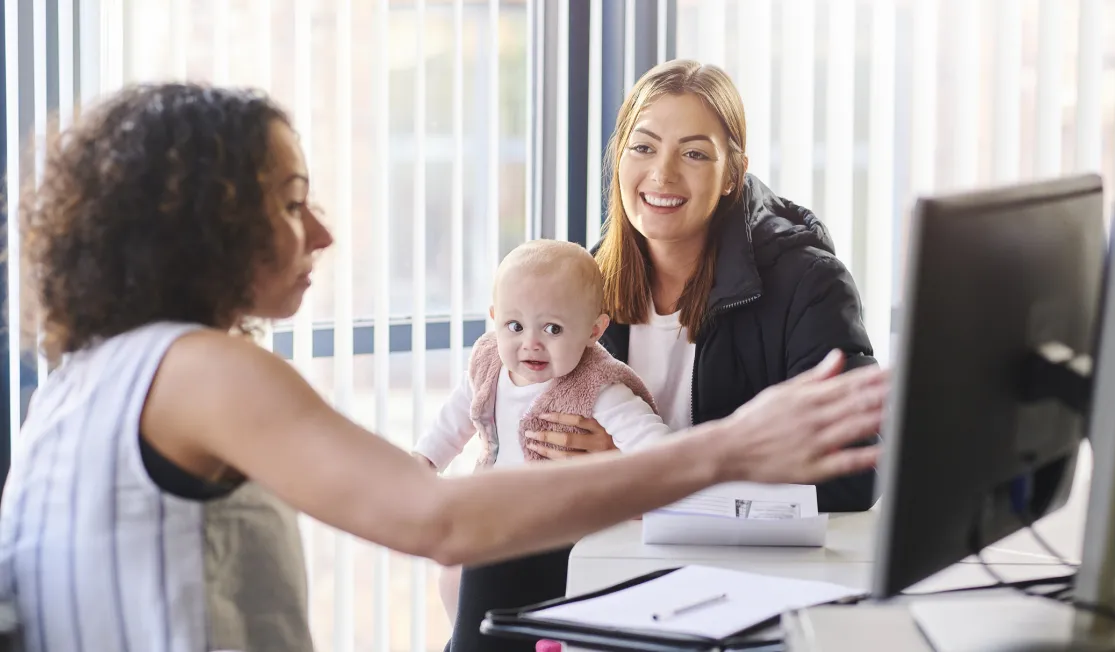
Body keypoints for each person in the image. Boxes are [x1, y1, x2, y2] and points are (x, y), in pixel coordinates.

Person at [0, 83, 886, 652]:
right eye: (293, 202)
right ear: (203, 223)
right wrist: (730, 449)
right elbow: (436, 517)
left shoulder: (93, 368)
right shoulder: (200, 370)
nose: (325, 235)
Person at [445, 60, 881, 652]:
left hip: (733, 560)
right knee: (490, 553)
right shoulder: (584, 285)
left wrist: (632, 472)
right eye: (643, 147)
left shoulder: (807, 283)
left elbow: (854, 472)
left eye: (695, 153)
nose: (662, 173)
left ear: (733, 174)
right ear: (618, 158)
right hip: (610, 544)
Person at [414, 238, 673, 624]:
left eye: (552, 328)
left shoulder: (598, 387)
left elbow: (660, 451)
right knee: (453, 578)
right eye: (514, 326)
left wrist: (622, 474)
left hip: (561, 532)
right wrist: (423, 463)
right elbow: (452, 422)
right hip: (494, 518)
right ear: (494, 317)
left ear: (594, 330)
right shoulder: (489, 366)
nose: (530, 344)